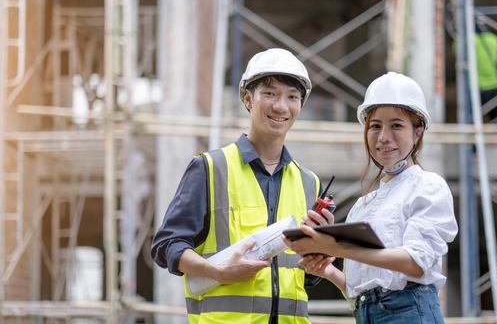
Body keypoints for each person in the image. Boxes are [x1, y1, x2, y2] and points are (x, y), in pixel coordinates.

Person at [151, 48, 334, 324]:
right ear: (248, 99)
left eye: (292, 96)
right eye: (270, 94)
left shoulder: (310, 182)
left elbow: (304, 276)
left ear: (300, 105)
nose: (281, 106)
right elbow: (167, 245)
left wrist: (320, 250)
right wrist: (218, 271)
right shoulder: (210, 168)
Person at [284, 72, 458, 324]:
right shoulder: (363, 205)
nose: (383, 137)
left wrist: (337, 247)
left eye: (396, 125)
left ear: (418, 131)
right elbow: (360, 290)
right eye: (375, 126)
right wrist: (328, 269)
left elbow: (416, 263)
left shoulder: (428, 186)